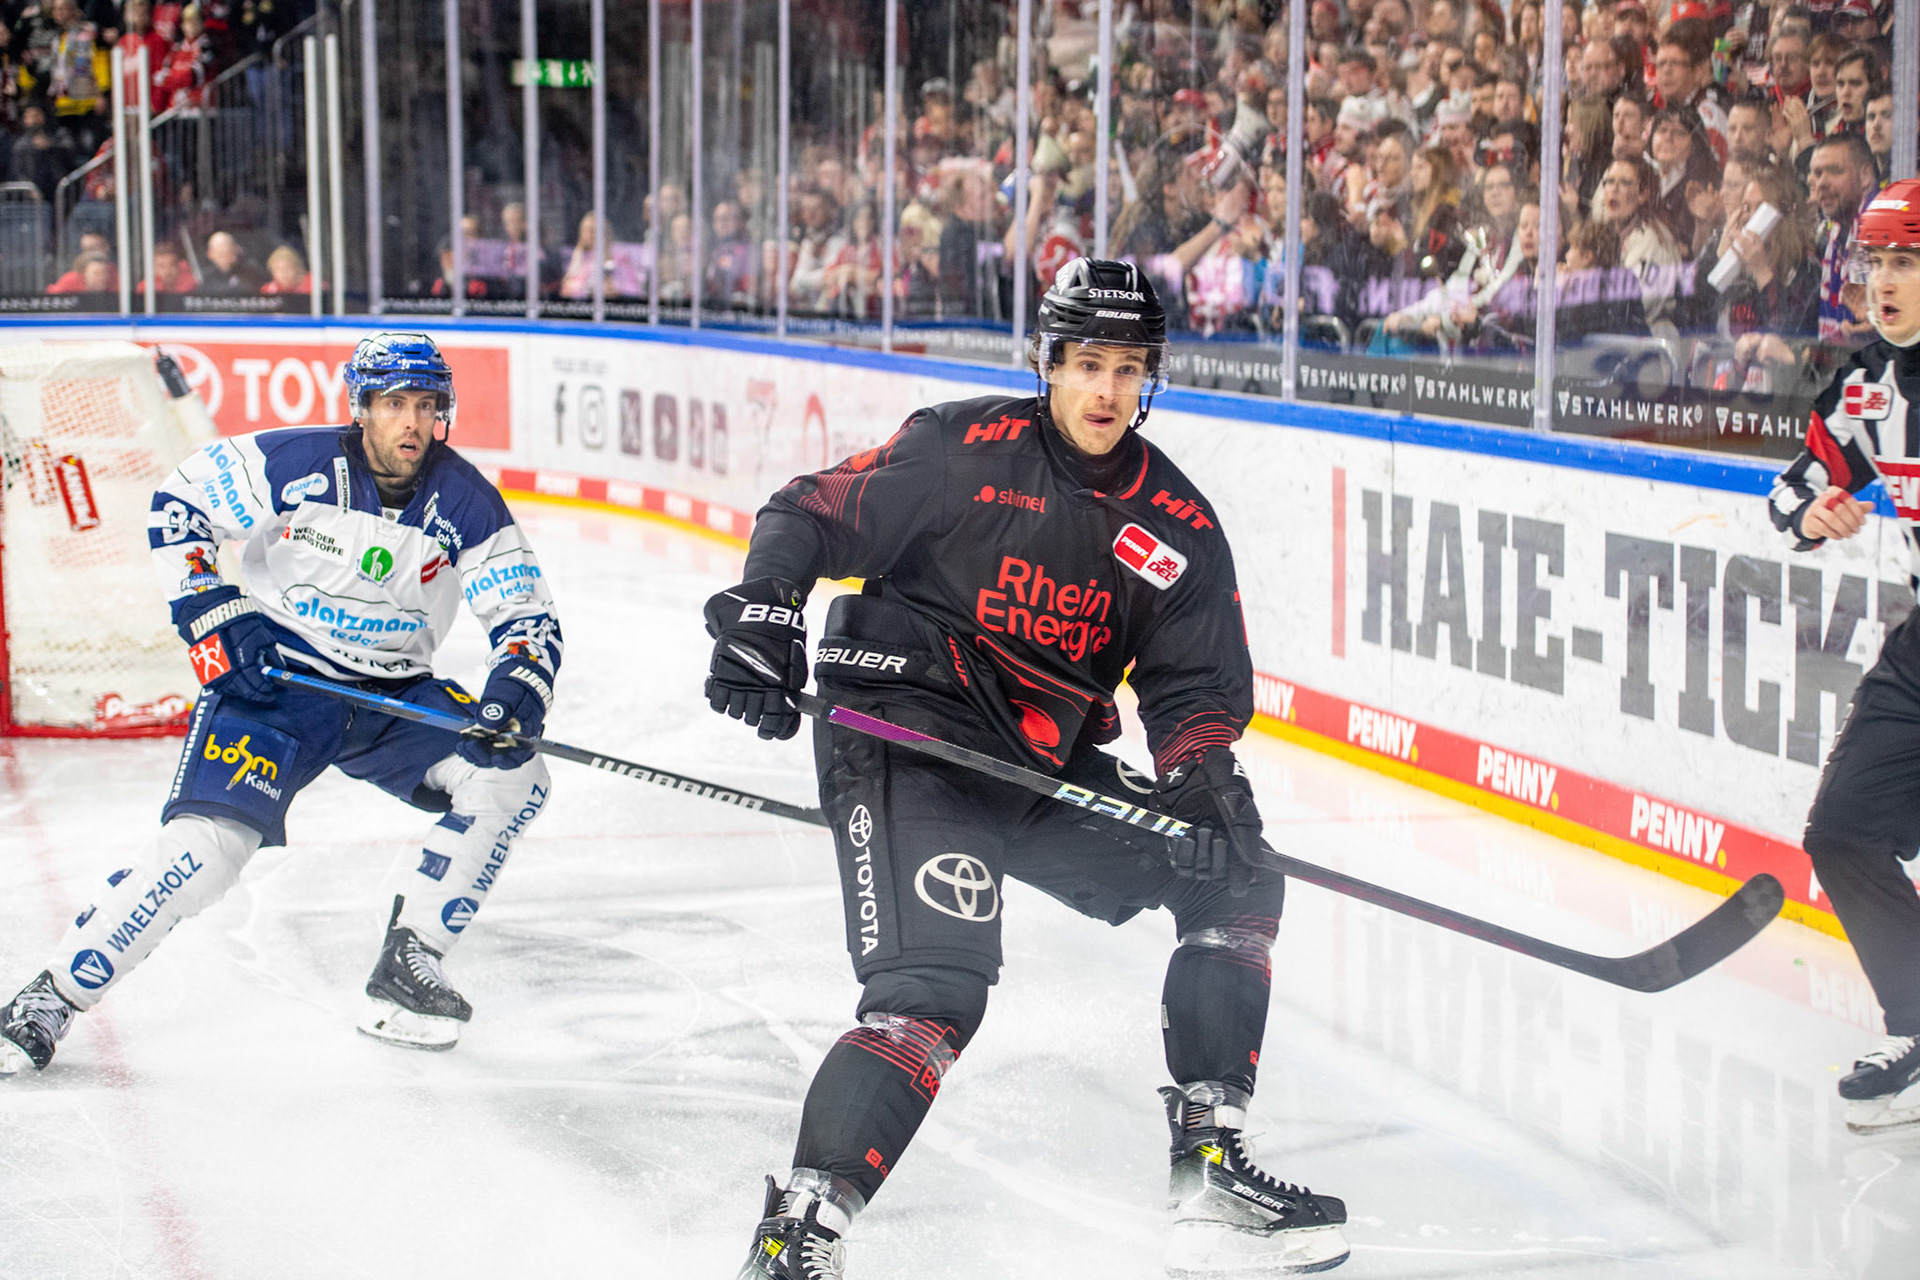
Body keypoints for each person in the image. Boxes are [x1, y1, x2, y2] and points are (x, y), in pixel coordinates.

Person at [709, 259, 1348, 1278]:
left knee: (1231, 874)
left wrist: (1201, 773)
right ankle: (800, 1231)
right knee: (932, 991)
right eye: (1087, 363)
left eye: (1127, 367)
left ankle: (1210, 1167)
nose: (1106, 390)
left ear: (1153, 376)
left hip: (1030, 761)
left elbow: (1189, 689)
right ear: (1046, 363)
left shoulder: (1173, 526)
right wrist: (765, 610)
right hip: (904, 731)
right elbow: (811, 510)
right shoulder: (963, 449)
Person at [0, 334, 563, 1075]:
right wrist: (209, 611)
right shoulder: (292, 462)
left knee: (516, 777)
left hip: (392, 697)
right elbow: (179, 504)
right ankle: (51, 996)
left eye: (427, 407)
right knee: (205, 855)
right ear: (362, 407)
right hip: (278, 686)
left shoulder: (464, 500)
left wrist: (515, 694)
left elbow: (528, 620)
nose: (413, 425)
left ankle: (411, 955)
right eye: (395, 404)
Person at [1763, 179, 1920, 1137]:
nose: (1884, 283)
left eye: (1906, 261)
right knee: (1843, 831)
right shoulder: (1867, 387)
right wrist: (1814, 518)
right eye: (1875, 264)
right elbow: (1786, 500)